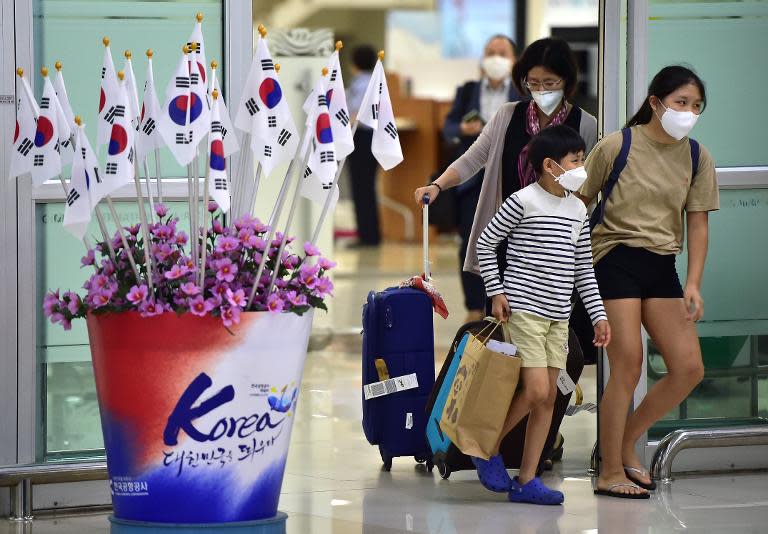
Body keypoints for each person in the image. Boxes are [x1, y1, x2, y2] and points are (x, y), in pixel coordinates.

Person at [578, 66, 718, 499]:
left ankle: (621, 445)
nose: (688, 112)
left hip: (661, 263)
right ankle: (610, 472)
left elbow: (697, 225)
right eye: (680, 103)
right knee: (629, 365)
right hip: (614, 257)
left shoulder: (697, 156)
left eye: (696, 106)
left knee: (689, 367)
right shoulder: (616, 145)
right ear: (656, 103)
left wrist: (693, 283)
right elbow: (576, 205)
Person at [473, 125, 611, 505]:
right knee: (535, 390)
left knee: (548, 398)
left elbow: (583, 268)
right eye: (576, 161)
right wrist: (496, 291)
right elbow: (486, 243)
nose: (582, 167)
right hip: (525, 310)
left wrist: (598, 315)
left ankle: (528, 479)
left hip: (558, 317)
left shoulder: (576, 210)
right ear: (550, 165)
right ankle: (487, 445)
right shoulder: (523, 201)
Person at [442, 34, 522, 324]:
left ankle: (504, 302)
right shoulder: (467, 90)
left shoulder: (523, 93)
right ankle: (475, 305)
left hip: (511, 180)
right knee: (471, 243)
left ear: (515, 60)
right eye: (490, 52)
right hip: (472, 180)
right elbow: (448, 126)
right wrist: (462, 129)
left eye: (502, 52)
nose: (496, 58)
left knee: (509, 242)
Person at [347, 45, 380, 246]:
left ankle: (367, 236)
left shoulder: (360, 84)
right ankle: (371, 234)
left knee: (361, 188)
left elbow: (355, 115)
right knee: (368, 188)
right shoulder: (376, 82)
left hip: (361, 136)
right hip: (372, 138)